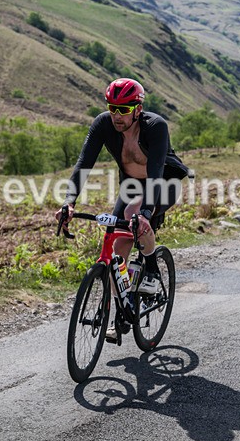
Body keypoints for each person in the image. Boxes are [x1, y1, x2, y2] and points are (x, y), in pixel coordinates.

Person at [56, 78, 190, 340]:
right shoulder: (104, 124)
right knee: (117, 251)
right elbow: (84, 163)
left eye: (124, 110)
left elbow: (154, 174)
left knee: (133, 214)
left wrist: (147, 214)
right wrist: (69, 202)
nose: (117, 115)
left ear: (137, 110)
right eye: (112, 108)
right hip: (130, 187)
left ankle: (151, 268)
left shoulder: (155, 127)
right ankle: (119, 314)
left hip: (163, 182)